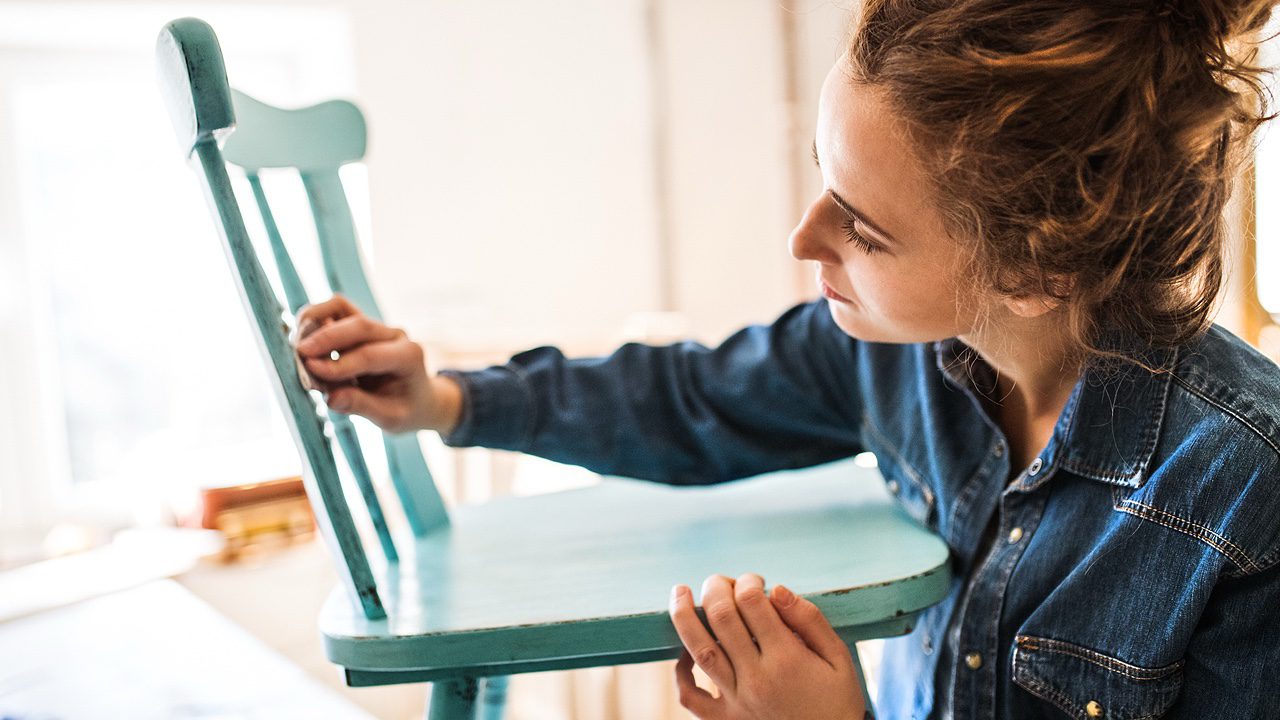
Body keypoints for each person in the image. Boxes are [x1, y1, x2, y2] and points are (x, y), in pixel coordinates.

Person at [293, 0, 1280, 716]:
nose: (803, 238)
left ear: (1033, 273)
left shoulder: (1246, 494)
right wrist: (447, 399)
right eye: (824, 180)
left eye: (862, 227)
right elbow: (690, 397)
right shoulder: (892, 357)